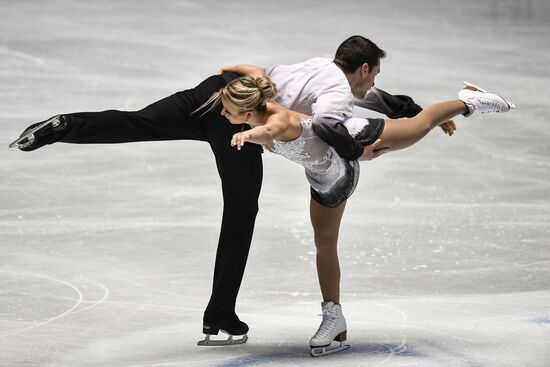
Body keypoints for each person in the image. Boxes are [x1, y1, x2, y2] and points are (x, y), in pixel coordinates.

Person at [9, 36, 425, 345]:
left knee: (138, 121)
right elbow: (336, 122)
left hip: (213, 92)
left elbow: (369, 96)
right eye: (374, 74)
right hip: (240, 123)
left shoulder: (316, 66)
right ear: (366, 68)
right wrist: (364, 148)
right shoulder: (335, 91)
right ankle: (220, 312)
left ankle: (66, 126)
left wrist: (406, 107)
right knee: (240, 214)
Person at [200, 75, 513, 356]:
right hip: (325, 173)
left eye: (227, 110)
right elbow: (255, 78)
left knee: (419, 126)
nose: (223, 114)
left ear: (246, 111)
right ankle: (333, 316)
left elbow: (272, 130)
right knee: (324, 242)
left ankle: (469, 99)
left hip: (343, 161)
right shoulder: (259, 109)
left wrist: (246, 137)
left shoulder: (275, 121)